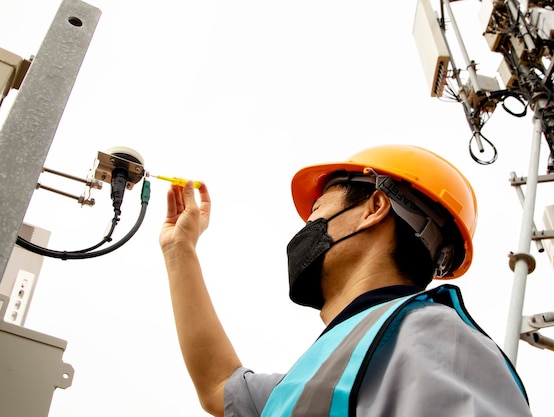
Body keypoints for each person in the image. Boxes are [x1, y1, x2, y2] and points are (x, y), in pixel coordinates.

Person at [159, 144, 533, 417]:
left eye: (318, 211)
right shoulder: (312, 378)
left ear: (373, 208)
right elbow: (218, 387)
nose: (306, 230)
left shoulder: (434, 334)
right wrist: (180, 250)